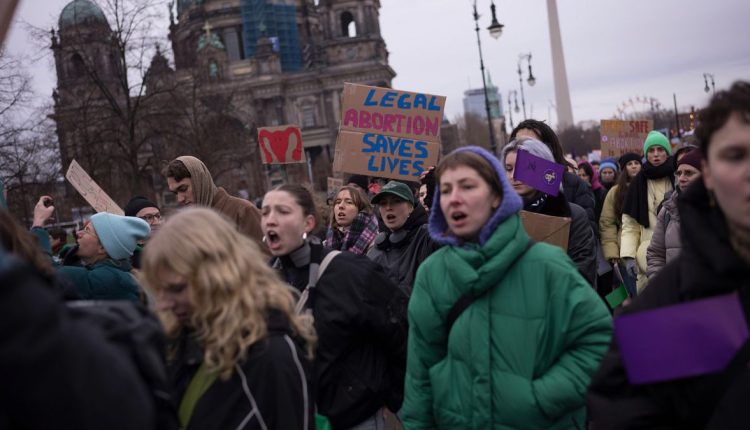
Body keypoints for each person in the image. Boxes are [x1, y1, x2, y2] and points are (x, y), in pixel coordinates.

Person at [401, 145, 611, 429]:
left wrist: (539, 399)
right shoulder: (432, 274)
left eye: (467, 186)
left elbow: (598, 342)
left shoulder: (548, 265)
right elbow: (419, 377)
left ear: (497, 197)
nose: (454, 198)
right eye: (446, 190)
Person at [588, 81, 750, 429]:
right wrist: (625, 258)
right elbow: (623, 402)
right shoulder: (678, 298)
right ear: (709, 174)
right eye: (735, 156)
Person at [140, 208, 315, 430]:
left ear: (218, 277)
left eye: (177, 288)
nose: (164, 304)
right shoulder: (182, 338)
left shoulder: (274, 357)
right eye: (160, 290)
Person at [261, 184, 407, 430]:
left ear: (308, 223)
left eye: (283, 211)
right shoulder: (261, 283)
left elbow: (399, 331)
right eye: (265, 212)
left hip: (355, 417)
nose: (271, 220)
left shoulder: (350, 272)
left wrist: (386, 393)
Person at [502, 138, 598, 285]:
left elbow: (583, 272)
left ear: (543, 168)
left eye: (523, 167)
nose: (513, 176)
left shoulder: (574, 215)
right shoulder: (495, 216)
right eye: (508, 169)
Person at [32, 196, 150, 302]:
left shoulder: (108, 279)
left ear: (102, 247)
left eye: (87, 230)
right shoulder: (115, 274)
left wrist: (38, 223)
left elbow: (48, 273)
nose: (78, 233)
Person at [162, 156, 264, 247]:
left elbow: (266, 258)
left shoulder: (243, 211)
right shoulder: (187, 226)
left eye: (183, 189)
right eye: (175, 193)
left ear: (200, 182)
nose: (180, 199)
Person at [510, 119, 597, 225]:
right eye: (519, 146)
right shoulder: (506, 188)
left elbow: (587, 227)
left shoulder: (574, 184)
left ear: (548, 149)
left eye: (531, 145)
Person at [620, 131, 675, 292]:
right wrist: (629, 256)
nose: (656, 154)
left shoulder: (679, 176)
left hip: (678, 253)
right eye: (651, 150)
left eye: (660, 149)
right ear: (646, 154)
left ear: (667, 152)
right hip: (647, 258)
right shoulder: (638, 183)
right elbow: (630, 225)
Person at [367, 181, 439, 296]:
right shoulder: (376, 248)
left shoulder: (427, 237)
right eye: (383, 203)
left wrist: (438, 200)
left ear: (411, 207)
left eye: (396, 201)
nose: (388, 207)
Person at [645, 148, 703, 279]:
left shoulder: (726, 209)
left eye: (689, 173)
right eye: (679, 173)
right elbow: (656, 255)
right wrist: (660, 285)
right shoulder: (668, 210)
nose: (681, 178)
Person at [599, 153, 642, 267]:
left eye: (636, 163)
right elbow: (607, 223)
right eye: (629, 164)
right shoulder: (615, 192)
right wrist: (612, 251)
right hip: (624, 249)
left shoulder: (650, 187)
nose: (634, 166)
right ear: (624, 169)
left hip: (649, 247)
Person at [324, 186, 379, 255]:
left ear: (361, 209)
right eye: (338, 202)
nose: (341, 206)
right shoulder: (326, 243)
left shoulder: (375, 244)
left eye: (349, 202)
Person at [124, 195, 163, 269]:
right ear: (132, 222)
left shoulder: (169, 246)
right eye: (148, 217)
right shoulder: (125, 256)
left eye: (158, 216)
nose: (156, 222)